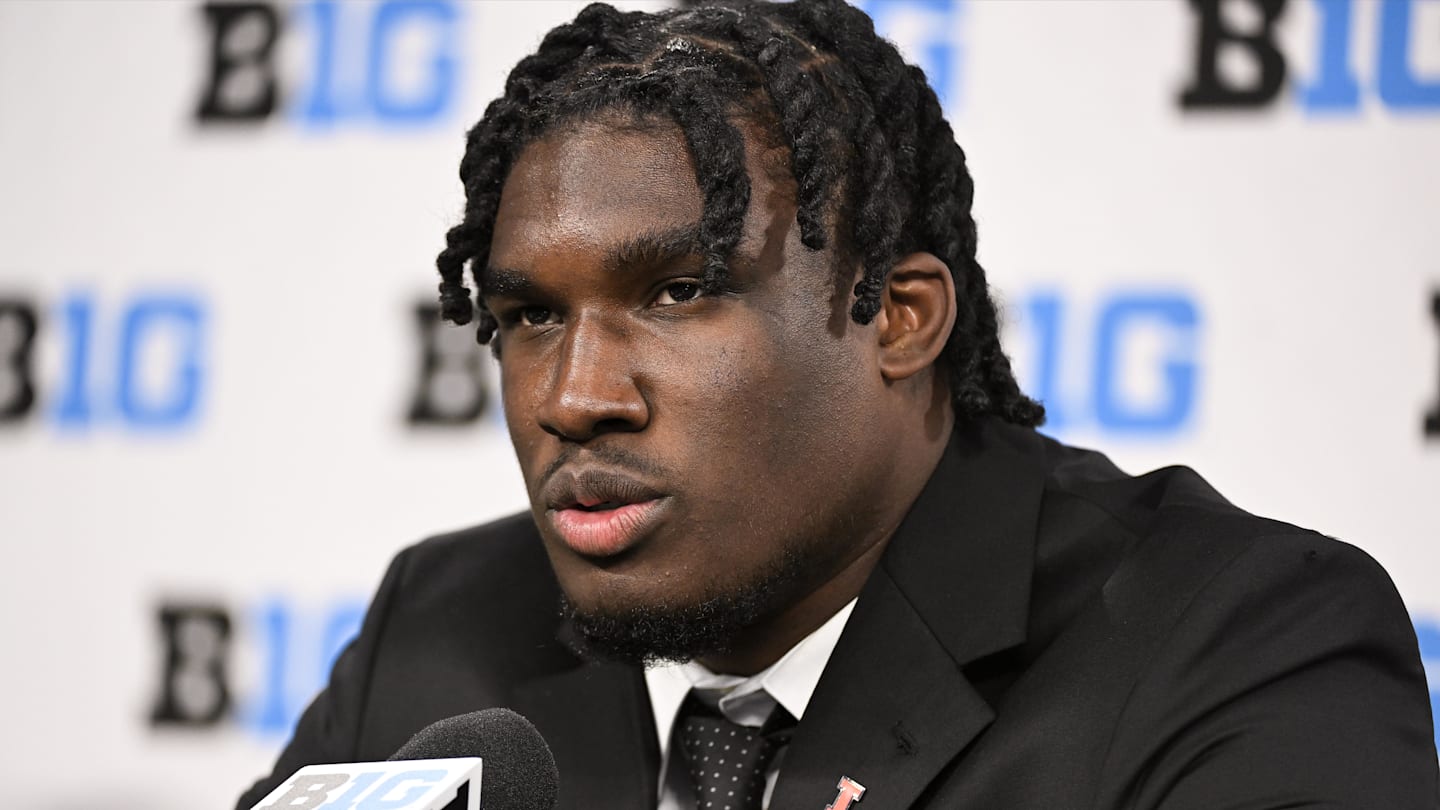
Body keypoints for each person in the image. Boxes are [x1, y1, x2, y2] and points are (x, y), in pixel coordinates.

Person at [237, 1, 1439, 808]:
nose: (575, 398)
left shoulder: (1235, 644)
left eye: (679, 291)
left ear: (901, 320)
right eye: (531, 317)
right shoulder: (438, 636)